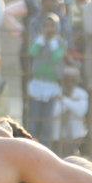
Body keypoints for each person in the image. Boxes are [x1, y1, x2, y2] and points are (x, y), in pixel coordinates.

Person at [26, 12, 66, 145]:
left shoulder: (61, 43)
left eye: (52, 26)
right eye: (46, 25)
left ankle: (45, 148)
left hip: (51, 85)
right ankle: (31, 147)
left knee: (47, 122)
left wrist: (53, 41)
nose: (49, 29)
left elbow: (56, 57)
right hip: (37, 84)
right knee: (33, 120)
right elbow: (32, 52)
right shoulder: (38, 40)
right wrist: (42, 38)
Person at [54, 65, 89, 156]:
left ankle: (72, 149)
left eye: (72, 80)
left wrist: (64, 99)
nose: (69, 83)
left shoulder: (82, 93)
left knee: (75, 118)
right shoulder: (56, 91)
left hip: (75, 125)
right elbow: (54, 112)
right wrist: (72, 103)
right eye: (67, 80)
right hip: (59, 125)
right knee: (57, 119)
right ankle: (58, 149)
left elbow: (81, 112)